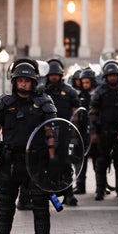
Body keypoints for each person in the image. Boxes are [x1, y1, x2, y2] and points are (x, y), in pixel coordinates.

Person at [0, 59, 58, 234]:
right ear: (14, 81)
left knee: (40, 204)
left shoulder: (44, 103)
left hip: (36, 162)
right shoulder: (4, 103)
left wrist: (53, 162)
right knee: (6, 203)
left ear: (33, 82)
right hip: (11, 160)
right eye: (20, 80)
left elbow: (51, 135)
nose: (23, 84)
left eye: (27, 80)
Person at [44, 58, 80, 206]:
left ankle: (69, 193)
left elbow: (76, 113)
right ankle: (43, 194)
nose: (54, 77)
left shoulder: (69, 92)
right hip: (47, 134)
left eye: (56, 75)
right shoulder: (42, 92)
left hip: (65, 133)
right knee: (46, 165)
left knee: (66, 164)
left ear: (61, 75)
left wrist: (75, 131)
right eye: (51, 75)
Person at [90, 60, 118, 201]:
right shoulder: (100, 91)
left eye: (114, 75)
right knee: (101, 162)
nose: (112, 77)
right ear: (105, 77)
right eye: (109, 75)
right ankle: (100, 189)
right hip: (103, 131)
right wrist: (93, 132)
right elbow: (93, 112)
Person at [74, 68, 98, 195]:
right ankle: (80, 185)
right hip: (82, 132)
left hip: (95, 131)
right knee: (80, 161)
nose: (85, 85)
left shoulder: (98, 94)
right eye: (83, 82)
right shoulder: (80, 96)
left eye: (87, 82)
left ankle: (100, 187)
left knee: (98, 162)